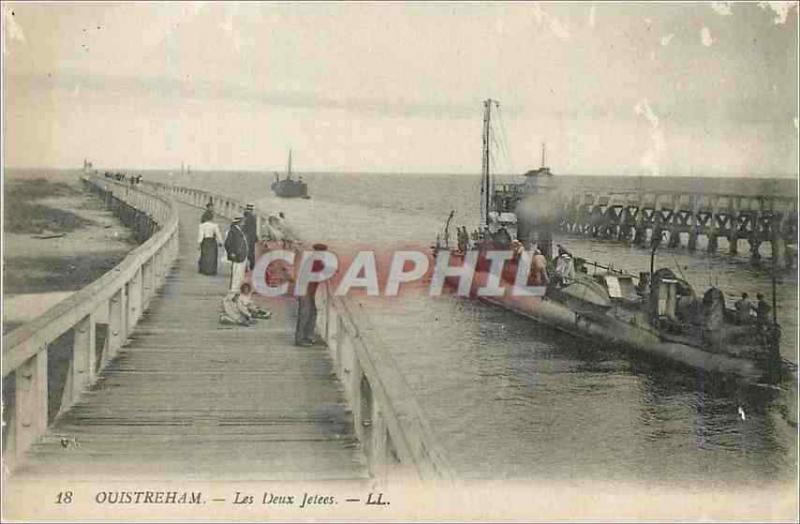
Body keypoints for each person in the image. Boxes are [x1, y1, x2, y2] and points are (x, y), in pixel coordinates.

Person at [295, 243, 328, 347]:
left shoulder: (314, 260)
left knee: (312, 313)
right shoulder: (315, 262)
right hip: (305, 291)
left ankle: (308, 336)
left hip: (309, 291)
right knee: (305, 314)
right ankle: (300, 338)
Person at [224, 216, 249, 293]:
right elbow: (227, 243)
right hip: (237, 255)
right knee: (236, 272)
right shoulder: (233, 231)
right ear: (239, 222)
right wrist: (231, 252)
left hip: (242, 255)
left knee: (240, 272)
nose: (244, 223)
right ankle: (234, 289)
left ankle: (237, 288)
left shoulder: (238, 230)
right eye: (243, 222)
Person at [197, 210, 224, 275]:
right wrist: (220, 242)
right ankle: (211, 270)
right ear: (211, 218)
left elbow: (201, 235)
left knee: (205, 255)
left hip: (205, 241)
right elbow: (218, 234)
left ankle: (204, 269)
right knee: (212, 256)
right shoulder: (214, 225)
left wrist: (199, 243)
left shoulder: (202, 225)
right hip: (212, 241)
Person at [242, 203, 258, 270]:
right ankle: (252, 266)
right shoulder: (253, 217)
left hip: (246, 236)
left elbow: (244, 227)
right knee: (251, 252)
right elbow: (254, 228)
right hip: (251, 236)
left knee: (245, 251)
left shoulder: (245, 216)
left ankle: (246, 266)